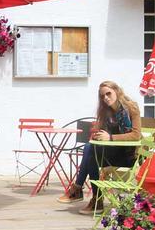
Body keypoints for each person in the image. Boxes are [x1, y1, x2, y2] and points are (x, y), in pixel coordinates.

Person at [57, 80, 142, 210]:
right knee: (90, 149)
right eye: (102, 96)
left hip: (127, 155)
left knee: (90, 150)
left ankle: (89, 195)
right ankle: (92, 197)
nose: (106, 98)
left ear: (117, 91)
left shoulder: (131, 108)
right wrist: (99, 134)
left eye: (108, 94)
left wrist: (110, 137)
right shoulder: (106, 112)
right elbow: (105, 134)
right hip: (113, 152)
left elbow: (136, 135)